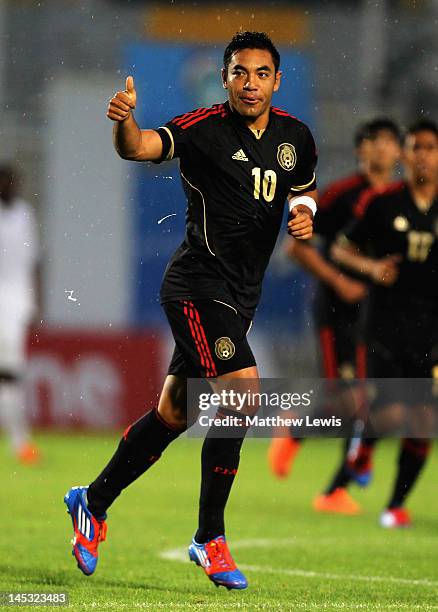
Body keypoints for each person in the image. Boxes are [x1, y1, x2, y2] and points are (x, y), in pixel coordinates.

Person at [64, 31, 318, 590]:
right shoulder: (201, 128)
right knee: (241, 389)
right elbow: (136, 148)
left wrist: (304, 212)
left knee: (175, 414)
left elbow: (301, 189)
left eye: (260, 73)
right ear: (225, 78)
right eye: (239, 72)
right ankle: (209, 536)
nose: (249, 83)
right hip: (196, 286)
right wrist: (123, 121)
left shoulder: (295, 137)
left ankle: (93, 499)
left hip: (239, 297)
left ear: (276, 80)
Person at [268, 119, 401, 514]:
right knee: (351, 400)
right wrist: (339, 281)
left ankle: (311, 450)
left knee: (371, 403)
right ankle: (333, 486)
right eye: (374, 141)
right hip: (337, 311)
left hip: (382, 316)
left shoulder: (399, 200)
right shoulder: (342, 195)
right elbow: (296, 248)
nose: (383, 149)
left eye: (391, 142)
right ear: (361, 150)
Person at [330, 119, 438, 527]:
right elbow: (341, 249)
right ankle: (363, 445)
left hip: (431, 331)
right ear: (404, 156)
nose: (422, 155)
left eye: (430, 147)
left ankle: (395, 505)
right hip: (385, 327)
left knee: (425, 422)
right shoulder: (383, 202)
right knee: (392, 415)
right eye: (415, 147)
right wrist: (371, 268)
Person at [0, 165, 41, 464]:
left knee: (10, 376)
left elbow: (34, 260)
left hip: (15, 306)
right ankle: (19, 442)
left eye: (13, 179)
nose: (10, 185)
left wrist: (35, 300)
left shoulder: (25, 215)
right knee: (8, 377)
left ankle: (19, 442)